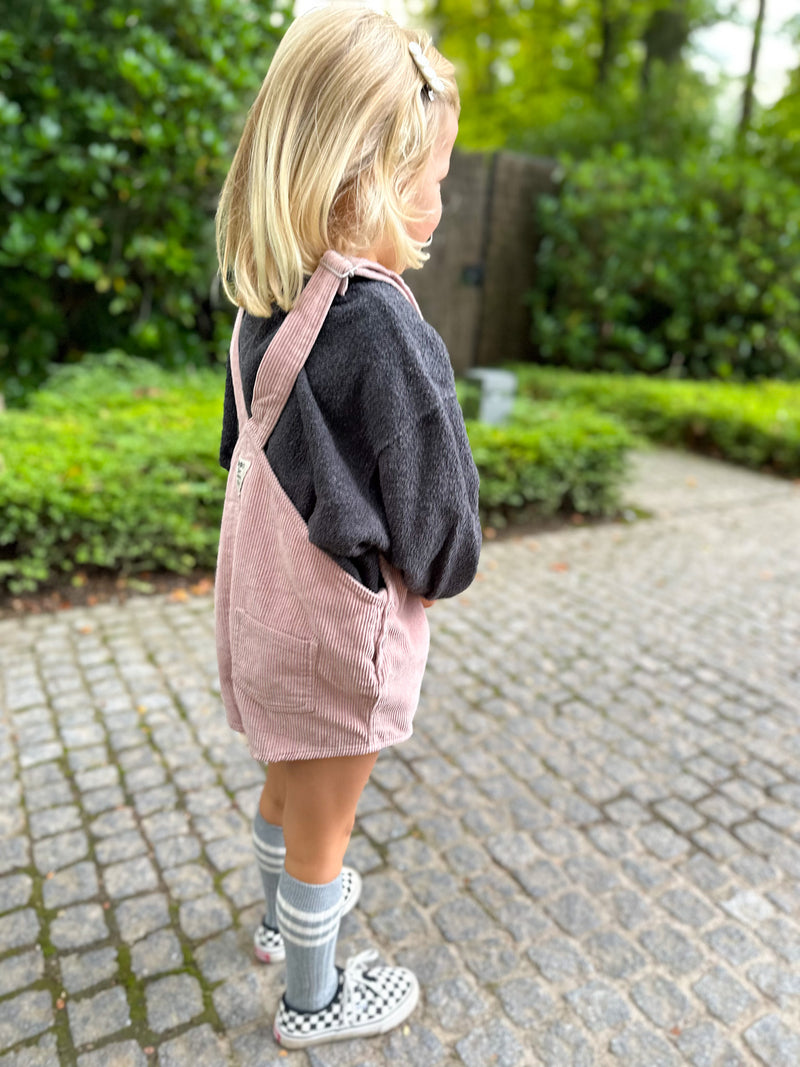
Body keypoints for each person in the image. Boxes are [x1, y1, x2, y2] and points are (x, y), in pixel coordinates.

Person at [214, 2, 481, 1050]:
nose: (438, 199)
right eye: (433, 174)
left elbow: (234, 452)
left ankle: (282, 929)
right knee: (328, 814)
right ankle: (314, 994)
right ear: (367, 174)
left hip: (265, 626)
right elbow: (439, 526)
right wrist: (446, 561)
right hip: (336, 638)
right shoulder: (383, 329)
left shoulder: (261, 305)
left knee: (286, 779)